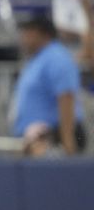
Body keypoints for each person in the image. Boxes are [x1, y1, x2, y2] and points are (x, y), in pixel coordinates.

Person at [11, 15, 86, 156]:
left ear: (42, 34)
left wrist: (67, 142)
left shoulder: (57, 57)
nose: (23, 38)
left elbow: (66, 96)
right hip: (35, 139)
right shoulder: (37, 60)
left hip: (53, 137)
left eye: (28, 33)